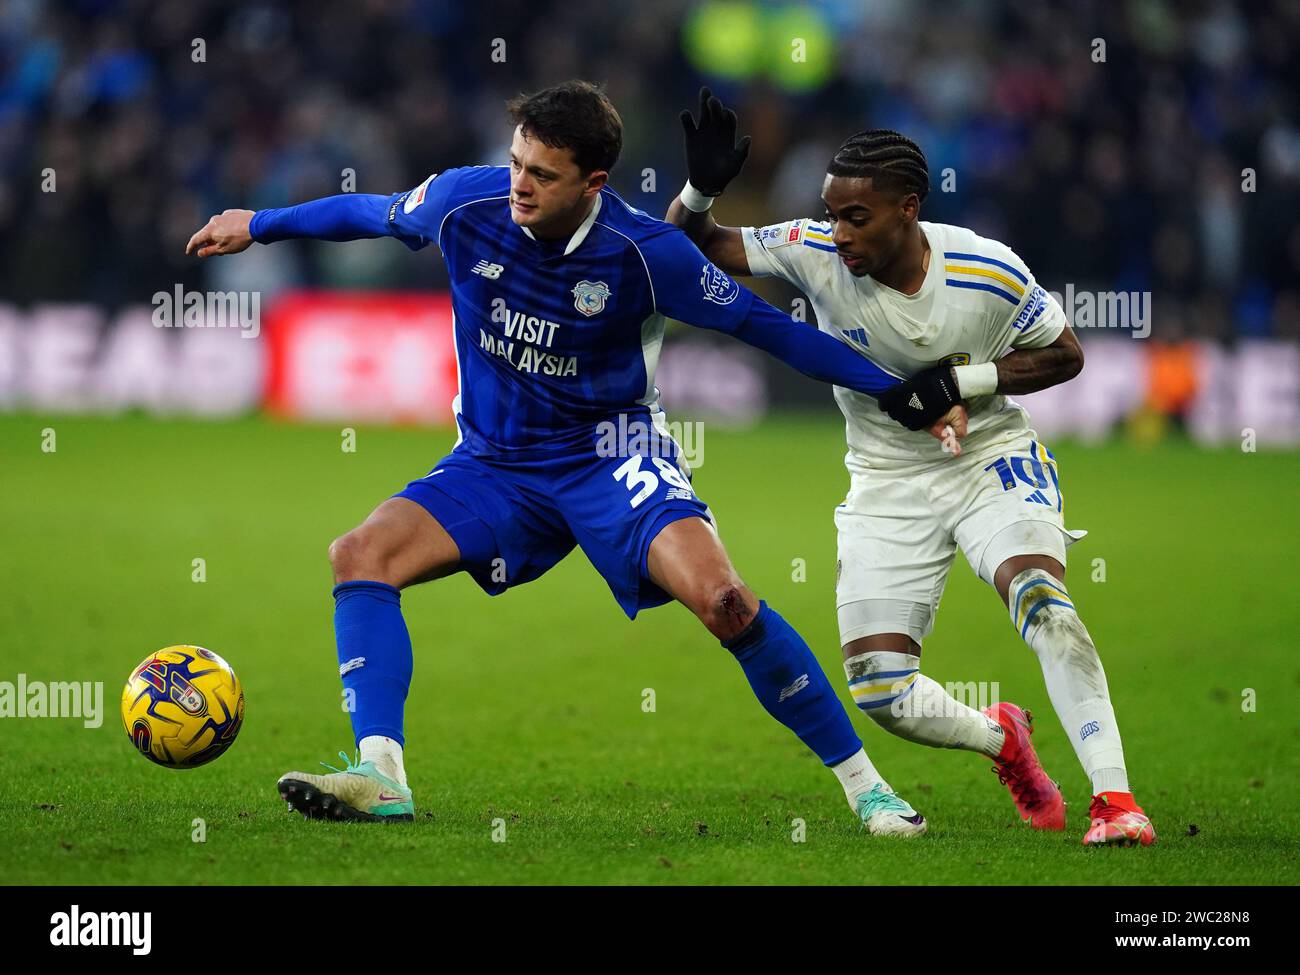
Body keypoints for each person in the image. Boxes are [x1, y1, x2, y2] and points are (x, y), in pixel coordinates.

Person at [186, 80, 965, 836]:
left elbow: (772, 331)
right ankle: (381, 774)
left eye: (542, 174)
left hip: (611, 457)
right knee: (358, 555)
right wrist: (260, 223)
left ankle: (871, 793)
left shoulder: (645, 251)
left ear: (592, 183)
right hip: (494, 462)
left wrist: (901, 390)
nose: (520, 184)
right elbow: (372, 212)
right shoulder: (466, 201)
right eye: (518, 161)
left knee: (726, 600)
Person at [666, 88, 1155, 847]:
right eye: (831, 212)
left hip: (990, 455)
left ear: (908, 208)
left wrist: (967, 382)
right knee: (880, 691)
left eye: (856, 216)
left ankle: (1116, 801)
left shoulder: (986, 269)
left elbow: (1067, 353)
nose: (838, 232)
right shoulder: (814, 249)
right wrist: (701, 190)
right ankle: (1005, 741)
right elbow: (688, 245)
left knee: (1045, 604)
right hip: (886, 477)